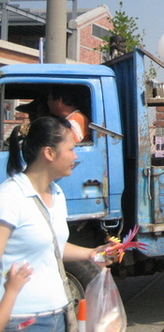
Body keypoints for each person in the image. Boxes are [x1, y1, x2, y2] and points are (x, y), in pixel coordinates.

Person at [0, 116, 109, 331]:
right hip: (22, 320)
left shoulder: (56, 193)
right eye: (70, 149)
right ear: (49, 153)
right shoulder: (10, 197)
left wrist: (92, 254)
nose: (75, 156)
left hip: (59, 313)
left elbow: (52, 245)